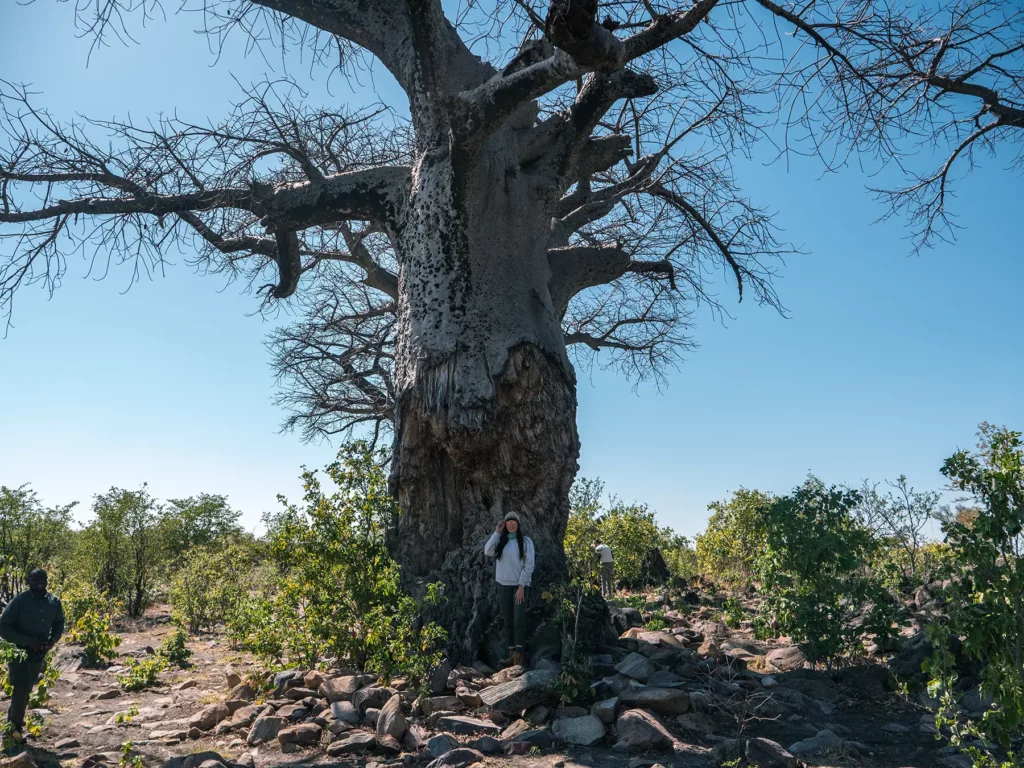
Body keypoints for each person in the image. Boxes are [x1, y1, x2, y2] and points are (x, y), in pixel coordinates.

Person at [0, 568, 64, 742]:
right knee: (21, 687)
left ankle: (11, 725)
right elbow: (3, 626)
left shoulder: (53, 601)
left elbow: (59, 623)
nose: (39, 582)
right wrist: (27, 641)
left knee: (27, 688)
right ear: (28, 581)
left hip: (39, 653)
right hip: (19, 652)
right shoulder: (20, 601)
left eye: (42, 579)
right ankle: (14, 730)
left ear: (47, 580)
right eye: (34, 579)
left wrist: (53, 640)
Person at [484, 511, 535, 667]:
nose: (511, 524)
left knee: (518, 620)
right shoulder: (501, 541)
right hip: (503, 585)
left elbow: (529, 564)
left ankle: (519, 656)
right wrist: (497, 532)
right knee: (508, 622)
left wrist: (521, 586)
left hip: (520, 587)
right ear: (505, 525)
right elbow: (487, 551)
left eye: (514, 522)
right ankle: (511, 653)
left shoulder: (526, 542)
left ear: (518, 524)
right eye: (508, 522)